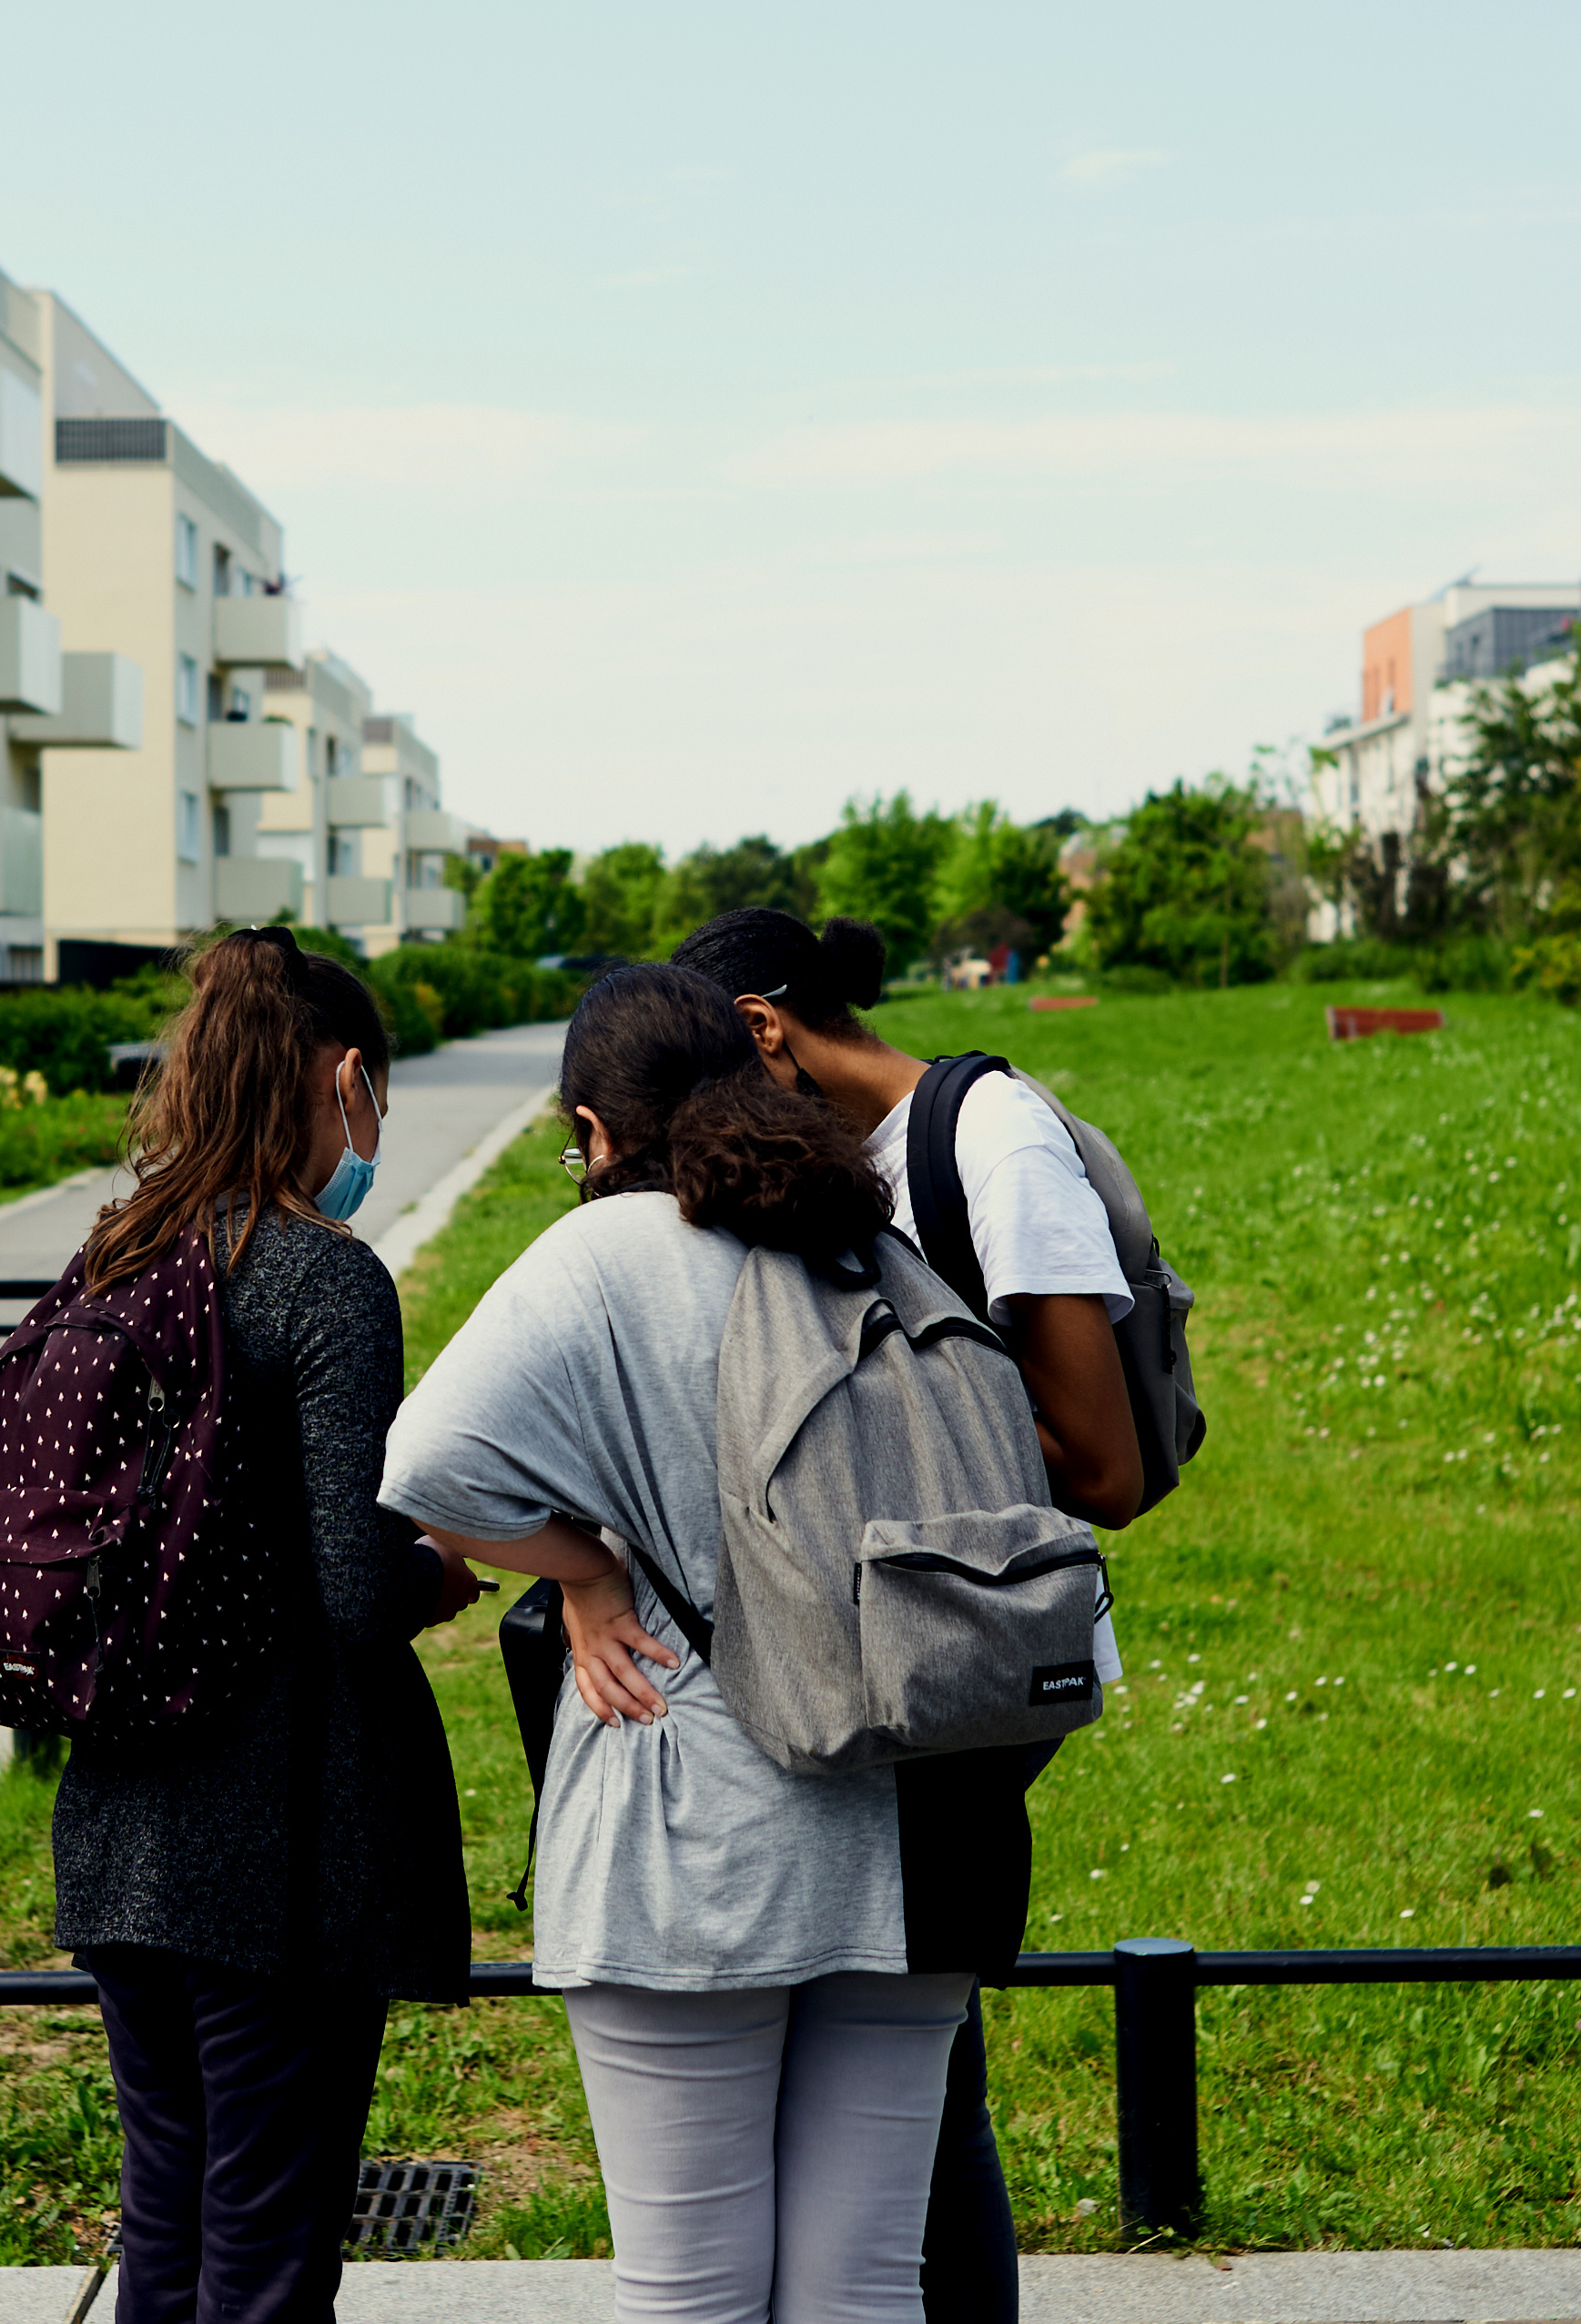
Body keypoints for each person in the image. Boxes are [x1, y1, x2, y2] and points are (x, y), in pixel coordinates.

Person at [380, 963, 983, 2324]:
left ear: (595, 1129)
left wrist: (588, 1567)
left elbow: (424, 1470)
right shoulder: (863, 1238)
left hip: (690, 1815)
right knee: (862, 2288)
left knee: (689, 2292)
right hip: (917, 1816)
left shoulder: (605, 1252)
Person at [673, 905, 1143, 2324]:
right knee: (912, 2095)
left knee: (927, 2100)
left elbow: (1101, 1464)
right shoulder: (841, 1162)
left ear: (764, 1029)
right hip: (874, 1654)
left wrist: (884, 1443)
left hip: (966, 1656)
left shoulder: (988, 1140)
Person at [48, 927, 483, 2324]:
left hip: (119, 1823)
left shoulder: (113, 1255)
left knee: (165, 2220)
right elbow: (353, 1586)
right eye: (377, 1096)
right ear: (344, 1077)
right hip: (279, 1848)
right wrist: (438, 1567)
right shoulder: (324, 1274)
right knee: (266, 2244)